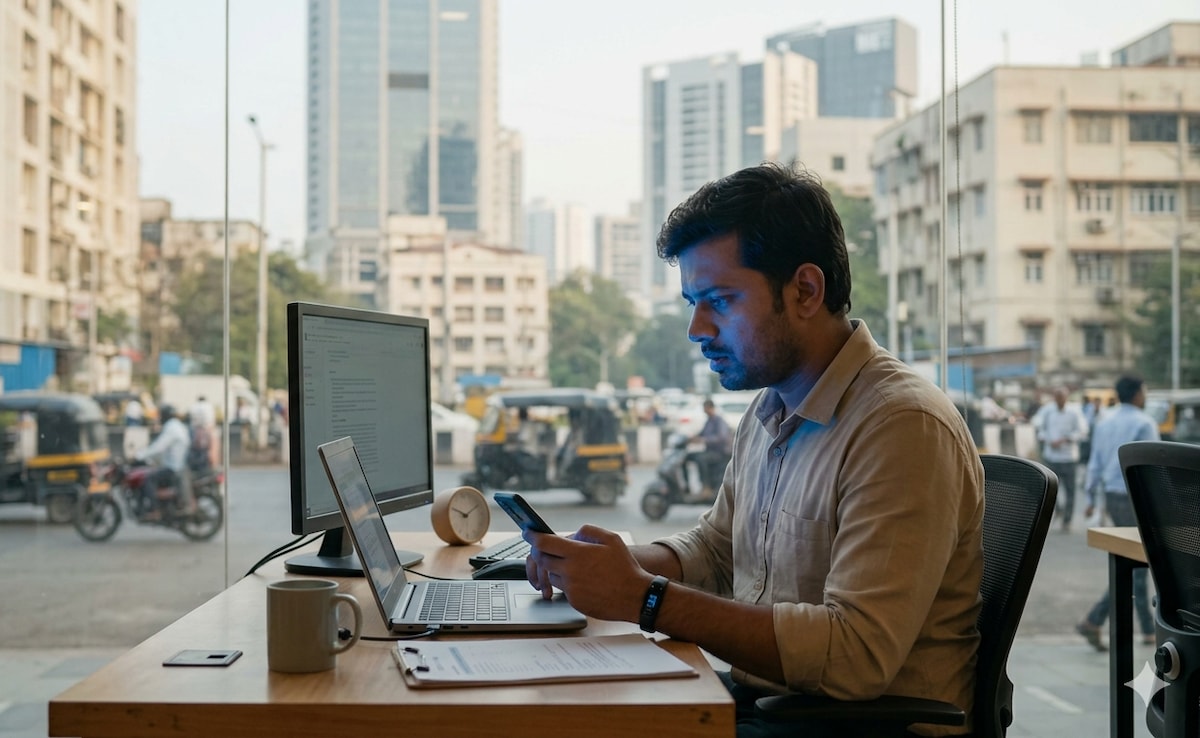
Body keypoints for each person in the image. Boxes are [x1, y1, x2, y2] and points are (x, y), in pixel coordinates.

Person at [523, 163, 984, 738]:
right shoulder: (769, 410)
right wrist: (606, 564)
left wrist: (643, 599)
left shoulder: (900, 425)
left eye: (719, 300)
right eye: (693, 302)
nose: (696, 328)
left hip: (861, 727)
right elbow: (718, 553)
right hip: (774, 707)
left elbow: (857, 656)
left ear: (805, 290)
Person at [1076, 374, 1160, 652]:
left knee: (1133, 560)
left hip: (1112, 495)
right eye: (1144, 391)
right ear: (1137, 394)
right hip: (1136, 496)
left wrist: (1089, 496)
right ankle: (1099, 619)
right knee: (1138, 561)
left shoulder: (1105, 421)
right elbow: (1152, 467)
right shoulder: (1144, 422)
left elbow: (1095, 462)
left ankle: (1143, 628)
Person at [1031, 387, 1089, 532]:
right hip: (1052, 457)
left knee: (1070, 491)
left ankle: (1067, 520)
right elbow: (1040, 429)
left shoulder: (1074, 412)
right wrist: (1048, 440)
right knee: (1050, 489)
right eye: (1057, 397)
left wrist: (1066, 439)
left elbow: (1082, 431)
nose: (1059, 400)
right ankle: (1059, 509)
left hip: (1069, 457)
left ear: (1066, 397)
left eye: (1062, 397)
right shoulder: (1048, 412)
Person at [135, 405, 193, 517]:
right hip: (177, 465)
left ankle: (155, 510)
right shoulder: (177, 425)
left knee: (148, 479)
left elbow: (158, 447)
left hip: (173, 467)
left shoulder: (171, 427)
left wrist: (140, 455)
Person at [689, 398, 732, 497]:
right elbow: (702, 433)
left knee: (701, 459)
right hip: (709, 451)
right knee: (688, 456)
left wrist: (704, 440)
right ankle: (686, 487)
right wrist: (692, 438)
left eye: (705, 408)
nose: (704, 411)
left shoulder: (719, 421)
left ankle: (706, 487)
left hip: (719, 453)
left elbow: (721, 438)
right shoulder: (709, 421)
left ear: (710, 408)